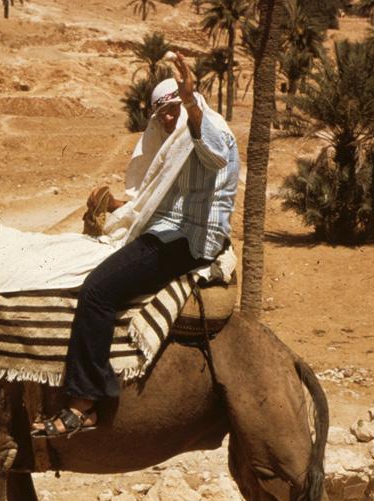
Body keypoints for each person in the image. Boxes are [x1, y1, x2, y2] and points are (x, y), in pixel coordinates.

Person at [24, 53, 240, 436]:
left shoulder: (211, 129)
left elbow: (212, 155)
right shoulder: (175, 137)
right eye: (163, 114)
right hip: (170, 228)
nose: (169, 119)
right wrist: (117, 204)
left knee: (97, 291)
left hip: (189, 239)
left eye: (173, 108)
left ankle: (83, 404)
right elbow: (160, 193)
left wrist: (190, 103)